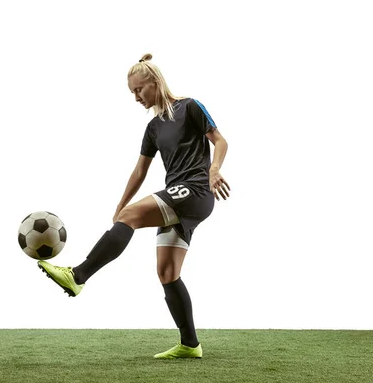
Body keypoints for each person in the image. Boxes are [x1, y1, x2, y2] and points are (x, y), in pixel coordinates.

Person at [37, 53, 230, 359]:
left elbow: (219, 140)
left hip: (195, 190)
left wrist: (215, 169)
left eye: (139, 90)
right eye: (132, 93)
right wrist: (121, 207)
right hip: (177, 195)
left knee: (134, 222)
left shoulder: (190, 106)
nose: (136, 97)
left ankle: (78, 276)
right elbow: (139, 171)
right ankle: (190, 344)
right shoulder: (153, 127)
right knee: (167, 273)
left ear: (154, 82)